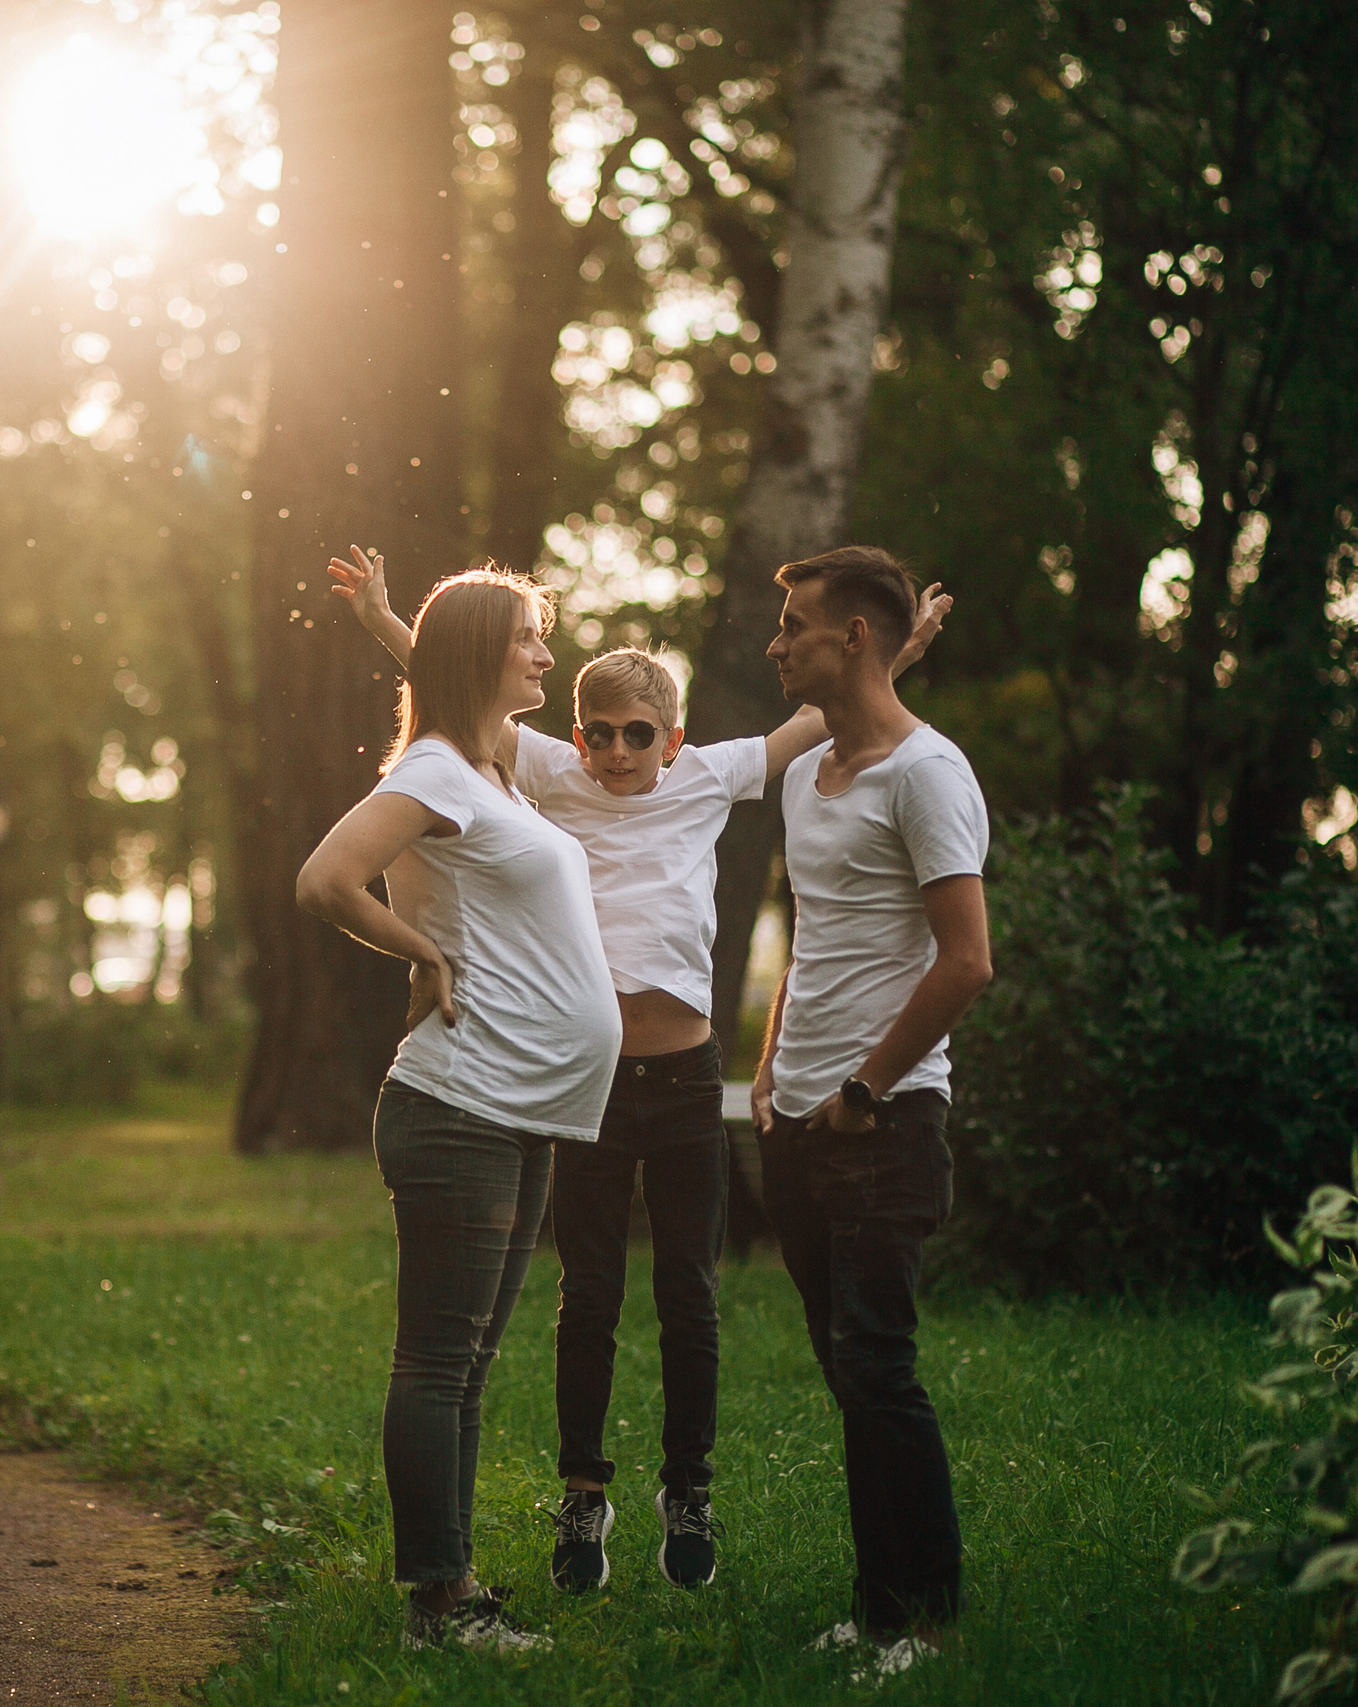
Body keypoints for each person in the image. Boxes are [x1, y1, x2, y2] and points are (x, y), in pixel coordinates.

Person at [327, 548, 949, 1595]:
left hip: (685, 1078)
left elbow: (821, 714)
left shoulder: (709, 776)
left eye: (638, 735)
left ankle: (687, 1486)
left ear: (674, 739)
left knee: (689, 1294)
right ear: (576, 737)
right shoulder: (548, 774)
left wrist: (898, 650)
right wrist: (389, 622)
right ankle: (583, 1492)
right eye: (600, 733)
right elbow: (457, 679)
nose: (616, 751)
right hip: (588, 1088)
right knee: (588, 1295)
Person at [295, 568, 620, 1654]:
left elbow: (442, 676)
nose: (546, 655)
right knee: (439, 1364)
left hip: (515, 1107)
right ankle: (437, 1605)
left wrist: (394, 625)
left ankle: (453, 1589)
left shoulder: (490, 769)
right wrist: (422, 950)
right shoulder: (437, 770)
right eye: (528, 637)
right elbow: (326, 879)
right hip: (461, 1101)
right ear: (485, 653)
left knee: (467, 1366)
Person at [749, 545, 993, 1682]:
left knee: (880, 1369)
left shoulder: (928, 774)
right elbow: (813, 937)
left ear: (851, 637)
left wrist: (862, 1090)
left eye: (793, 624)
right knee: (847, 1371)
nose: (776, 643)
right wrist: (770, 1069)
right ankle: (877, 1605)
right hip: (798, 1122)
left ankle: (925, 1623)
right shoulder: (807, 774)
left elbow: (966, 961)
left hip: (881, 1124)